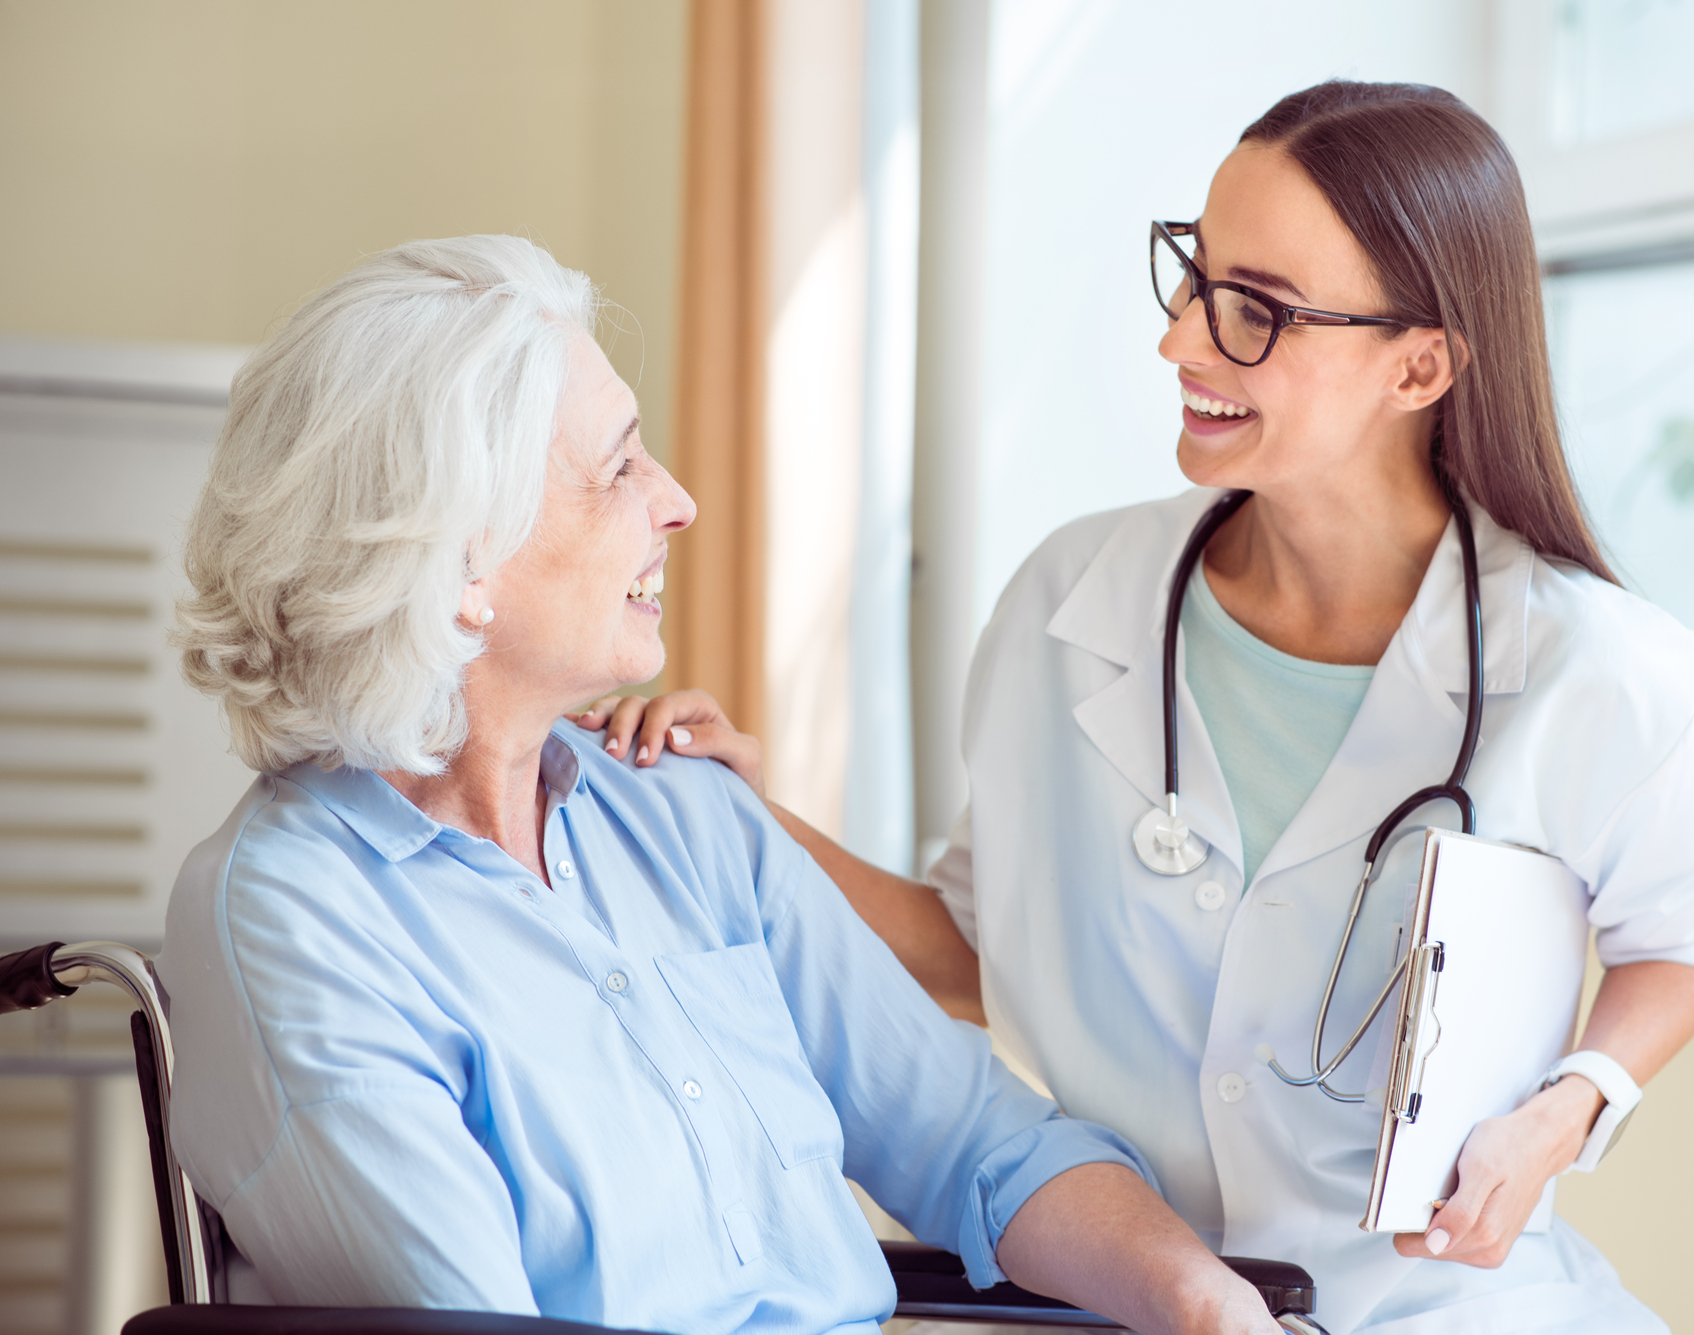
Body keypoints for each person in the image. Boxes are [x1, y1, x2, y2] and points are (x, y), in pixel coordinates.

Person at [586, 81, 1694, 1334]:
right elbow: (983, 952)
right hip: (1134, 1294)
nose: (1181, 341)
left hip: (1448, 1307)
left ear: (1416, 366)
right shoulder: (1065, 604)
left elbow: (1676, 938)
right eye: (1195, 276)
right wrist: (748, 823)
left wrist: (1568, 1103)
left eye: (1256, 311)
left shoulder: (1606, 671)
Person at [159, 235, 1283, 1335]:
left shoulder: (679, 808)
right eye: (618, 468)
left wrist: (1200, 1302)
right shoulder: (294, 916)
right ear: (461, 564)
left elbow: (977, 1142)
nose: (677, 501)